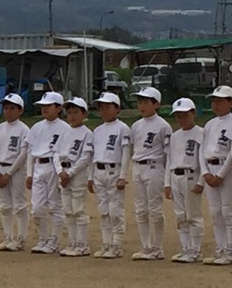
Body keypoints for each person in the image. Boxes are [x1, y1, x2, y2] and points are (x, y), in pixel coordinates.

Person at [129, 86, 172, 261]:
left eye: (146, 101)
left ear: (157, 104)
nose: (142, 105)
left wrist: (167, 178)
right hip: (138, 166)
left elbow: (168, 152)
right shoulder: (136, 125)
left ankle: (157, 247)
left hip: (154, 167)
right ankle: (145, 246)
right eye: (140, 102)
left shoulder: (163, 126)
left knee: (154, 208)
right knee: (140, 209)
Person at [199, 85, 232, 266]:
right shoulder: (210, 124)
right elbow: (202, 150)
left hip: (227, 170)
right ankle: (220, 249)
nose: (216, 105)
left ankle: (231, 251)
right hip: (210, 168)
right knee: (215, 212)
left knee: (229, 210)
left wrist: (221, 174)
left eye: (220, 101)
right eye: (214, 101)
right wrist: (205, 173)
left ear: (231, 103)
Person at [88, 92, 131, 258]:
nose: (104, 110)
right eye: (102, 107)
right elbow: (93, 155)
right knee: (103, 209)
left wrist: (123, 176)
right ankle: (106, 243)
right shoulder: (97, 130)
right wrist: (90, 177)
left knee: (115, 209)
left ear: (117, 108)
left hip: (114, 170)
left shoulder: (123, 128)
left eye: (108, 107)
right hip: (99, 171)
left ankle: (117, 244)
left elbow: (126, 153)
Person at [24, 91, 69, 253]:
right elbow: (30, 151)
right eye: (43, 106)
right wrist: (29, 174)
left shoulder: (65, 128)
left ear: (58, 107)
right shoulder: (37, 127)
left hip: (54, 167)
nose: (44, 109)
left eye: (48, 106)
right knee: (37, 207)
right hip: (39, 166)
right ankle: (43, 238)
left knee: (55, 205)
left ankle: (54, 240)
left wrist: (62, 172)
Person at [165, 97, 205, 263]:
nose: (181, 119)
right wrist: (167, 183)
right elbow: (169, 159)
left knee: (193, 215)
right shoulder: (175, 136)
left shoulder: (201, 133)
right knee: (180, 215)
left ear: (193, 113)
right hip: (176, 176)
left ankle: (195, 250)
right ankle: (185, 248)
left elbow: (203, 159)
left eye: (184, 115)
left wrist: (201, 182)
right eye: (178, 116)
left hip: (191, 175)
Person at [0, 93, 30, 251]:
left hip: (16, 169)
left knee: (19, 204)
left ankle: (20, 238)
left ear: (20, 110)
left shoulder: (23, 129)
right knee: (5, 205)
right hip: (0, 167)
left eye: (12, 108)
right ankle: (8, 237)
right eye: (6, 108)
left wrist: (9, 173)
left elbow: (23, 153)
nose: (8, 111)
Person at [56, 97, 95, 257]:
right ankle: (72, 242)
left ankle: (82, 244)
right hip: (63, 172)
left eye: (76, 112)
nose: (72, 116)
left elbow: (85, 157)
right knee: (67, 209)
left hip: (77, 174)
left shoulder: (87, 134)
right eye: (69, 112)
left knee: (78, 209)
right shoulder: (65, 132)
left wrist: (70, 173)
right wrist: (60, 171)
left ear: (84, 113)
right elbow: (56, 153)